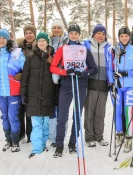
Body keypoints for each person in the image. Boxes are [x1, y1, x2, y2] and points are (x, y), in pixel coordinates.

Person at [50, 24, 98, 157]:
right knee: (63, 116)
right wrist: (65, 72)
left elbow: (94, 69)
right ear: (68, 34)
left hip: (80, 84)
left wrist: (84, 73)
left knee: (77, 115)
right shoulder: (62, 49)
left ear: (79, 35)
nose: (73, 35)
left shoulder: (84, 49)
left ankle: (72, 143)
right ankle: (59, 145)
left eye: (76, 33)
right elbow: (53, 67)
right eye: (71, 33)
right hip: (66, 85)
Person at [0, 28, 26, 152]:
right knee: (4, 117)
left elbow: (25, 67)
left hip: (14, 92)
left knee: (12, 117)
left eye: (4, 37)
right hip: (1, 93)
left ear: (7, 39)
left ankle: (15, 141)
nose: (1, 40)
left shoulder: (16, 52)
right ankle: (8, 140)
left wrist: (21, 74)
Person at [20, 32, 57, 158]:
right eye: (40, 41)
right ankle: (36, 148)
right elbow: (25, 77)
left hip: (48, 95)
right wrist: (23, 93)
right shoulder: (30, 56)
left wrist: (56, 95)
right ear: (37, 42)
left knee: (45, 123)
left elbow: (56, 78)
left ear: (47, 43)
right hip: (33, 95)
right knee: (36, 124)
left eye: (44, 41)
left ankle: (43, 144)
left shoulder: (52, 57)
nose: (42, 43)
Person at [107, 26, 133, 153]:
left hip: (130, 86)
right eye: (122, 36)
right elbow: (109, 68)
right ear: (119, 37)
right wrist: (111, 83)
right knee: (118, 111)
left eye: (126, 36)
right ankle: (119, 135)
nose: (124, 38)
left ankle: (128, 138)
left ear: (130, 36)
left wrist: (126, 73)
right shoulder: (113, 50)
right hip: (117, 86)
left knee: (128, 112)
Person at [83, 24, 111, 147]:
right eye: (98, 33)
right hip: (90, 82)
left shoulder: (109, 48)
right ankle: (89, 137)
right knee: (89, 111)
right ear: (93, 34)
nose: (101, 36)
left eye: (103, 34)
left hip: (104, 84)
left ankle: (99, 136)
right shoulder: (86, 45)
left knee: (100, 112)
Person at [49, 19, 68, 147]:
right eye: (54, 27)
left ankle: (61, 134)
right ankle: (52, 135)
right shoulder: (48, 41)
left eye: (59, 28)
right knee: (52, 107)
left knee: (62, 107)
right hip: (49, 79)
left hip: (64, 78)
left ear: (62, 29)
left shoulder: (67, 42)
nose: (56, 30)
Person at [17, 25, 37, 143]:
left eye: (31, 33)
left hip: (32, 83)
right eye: (26, 33)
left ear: (34, 34)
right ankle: (20, 134)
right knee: (20, 110)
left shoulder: (39, 46)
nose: (29, 35)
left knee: (30, 110)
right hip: (20, 82)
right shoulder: (18, 48)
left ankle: (30, 135)